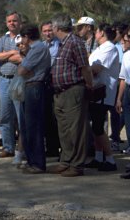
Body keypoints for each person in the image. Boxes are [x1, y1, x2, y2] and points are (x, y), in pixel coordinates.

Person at [49, 13, 93, 177]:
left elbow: (85, 68)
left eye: (52, 27)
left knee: (76, 130)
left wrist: (89, 85)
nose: (52, 29)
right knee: (64, 130)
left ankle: (77, 165)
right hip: (60, 93)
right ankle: (66, 160)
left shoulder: (75, 42)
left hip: (73, 91)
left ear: (57, 27)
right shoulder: (62, 44)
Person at [85, 23, 120, 171]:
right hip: (94, 91)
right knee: (96, 127)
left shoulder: (109, 48)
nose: (95, 34)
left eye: (97, 31)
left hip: (103, 93)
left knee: (99, 127)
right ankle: (99, 157)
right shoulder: (100, 48)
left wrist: (81, 70)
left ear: (101, 33)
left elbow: (96, 69)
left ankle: (110, 160)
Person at [17, 24, 51, 174]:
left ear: (26, 37)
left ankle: (37, 163)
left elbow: (22, 69)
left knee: (34, 127)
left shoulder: (38, 48)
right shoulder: (35, 49)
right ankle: (32, 160)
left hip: (35, 87)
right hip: (31, 86)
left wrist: (24, 70)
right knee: (27, 126)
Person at [0, 11, 23, 158]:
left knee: (20, 116)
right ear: (6, 23)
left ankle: (22, 149)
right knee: (5, 116)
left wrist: (6, 55)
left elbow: (22, 57)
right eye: (9, 21)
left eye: (14, 21)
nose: (12, 23)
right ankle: (8, 147)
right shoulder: (2, 39)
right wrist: (12, 52)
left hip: (19, 79)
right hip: (4, 80)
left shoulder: (23, 38)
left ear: (20, 22)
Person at [40, 21, 60, 157]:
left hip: (57, 84)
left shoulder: (60, 45)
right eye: (45, 31)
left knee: (57, 117)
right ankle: (51, 148)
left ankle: (62, 148)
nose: (48, 33)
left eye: (49, 30)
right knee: (47, 117)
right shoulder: (41, 46)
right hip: (44, 85)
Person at [116, 27, 130, 156]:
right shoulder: (126, 56)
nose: (123, 44)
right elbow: (123, 79)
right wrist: (119, 99)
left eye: (125, 41)